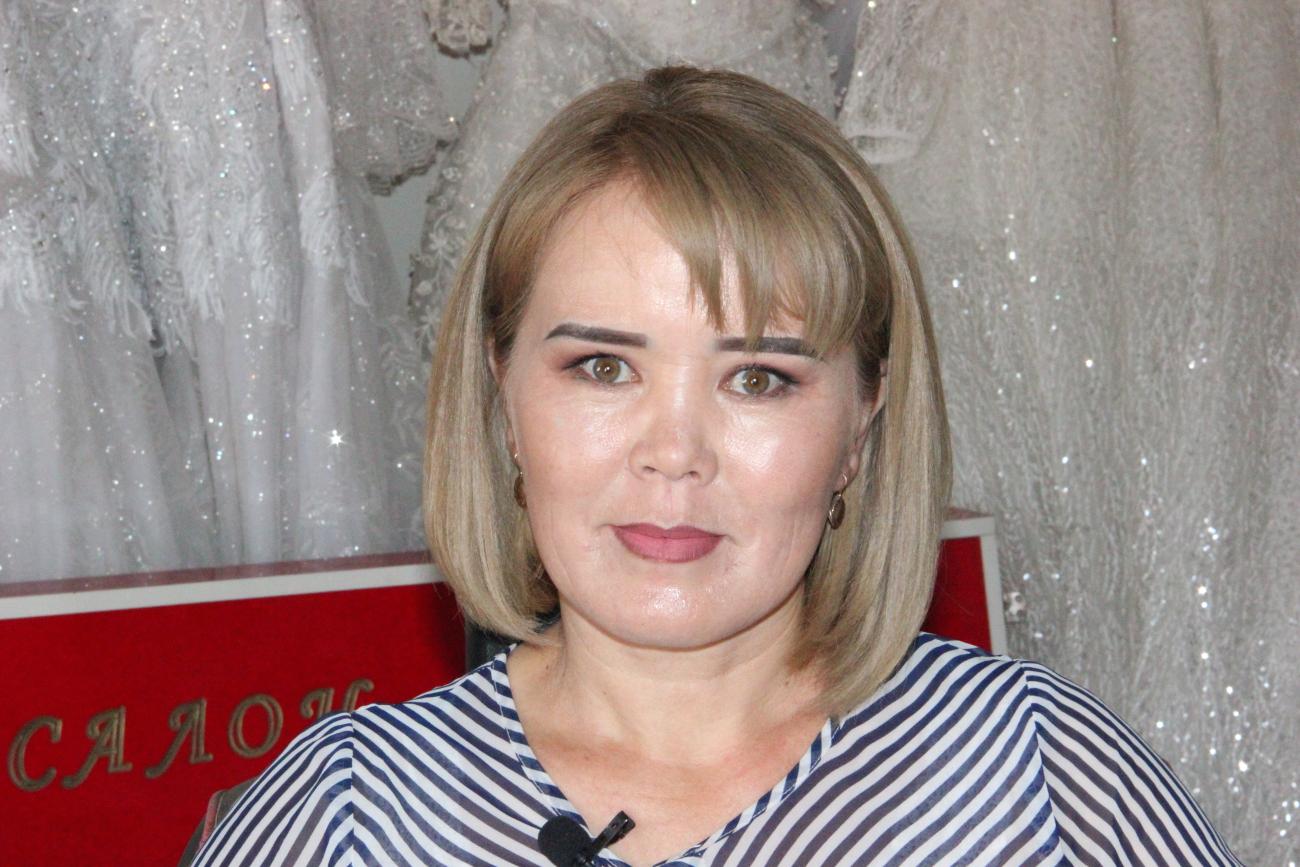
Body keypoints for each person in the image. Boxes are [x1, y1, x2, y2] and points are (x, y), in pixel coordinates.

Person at [192, 65, 1240, 866]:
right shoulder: (342, 815)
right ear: (503, 398)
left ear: (862, 422)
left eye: (759, 379)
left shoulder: (1054, 779)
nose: (674, 457)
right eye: (602, 367)